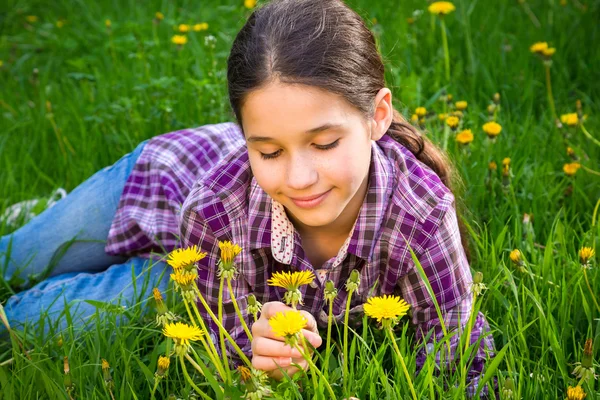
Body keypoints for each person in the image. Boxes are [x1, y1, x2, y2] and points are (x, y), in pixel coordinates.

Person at [1, 0, 495, 396]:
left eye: (324, 143)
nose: (300, 178)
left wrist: (250, 357)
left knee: (20, 325)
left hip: (193, 263)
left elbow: (463, 361)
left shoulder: (422, 217)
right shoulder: (217, 205)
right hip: (166, 179)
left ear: (378, 117)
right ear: (245, 138)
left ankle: (149, 264)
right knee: (14, 259)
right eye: (269, 150)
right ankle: (46, 215)